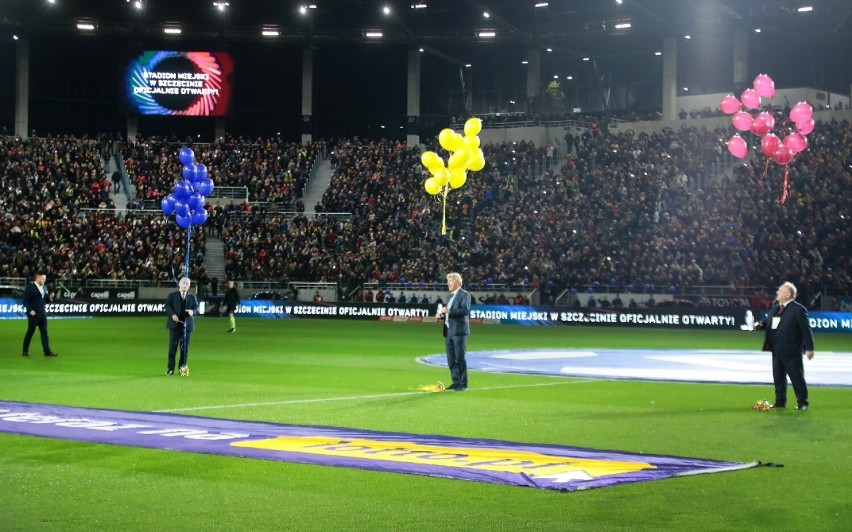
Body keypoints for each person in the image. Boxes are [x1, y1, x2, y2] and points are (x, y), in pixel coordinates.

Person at [754, 282, 815, 410]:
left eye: (780, 291)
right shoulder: (776, 308)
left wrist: (809, 348)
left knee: (796, 377)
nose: (777, 293)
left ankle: (803, 402)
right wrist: (759, 325)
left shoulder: (798, 309)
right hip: (776, 350)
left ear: (787, 295)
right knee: (778, 377)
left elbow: (806, 330)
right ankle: (780, 402)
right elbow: (768, 322)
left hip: (792, 350)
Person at [437, 272, 471, 391]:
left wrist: (449, 311)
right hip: (449, 331)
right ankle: (456, 381)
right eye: (448, 281)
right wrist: (441, 315)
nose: (448, 283)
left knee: (460, 357)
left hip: (459, 331)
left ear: (457, 282)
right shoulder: (449, 297)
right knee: (451, 359)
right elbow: (448, 313)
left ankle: (463, 383)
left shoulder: (465, 295)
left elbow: (465, 311)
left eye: (450, 281)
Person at [164, 277, 198, 376]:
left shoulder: (192, 297)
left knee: (185, 350)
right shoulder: (172, 295)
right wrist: (172, 315)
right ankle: (170, 369)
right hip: (175, 326)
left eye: (187, 283)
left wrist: (193, 311)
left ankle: (182, 369)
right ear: (179, 284)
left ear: (189, 286)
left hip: (186, 327)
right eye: (183, 282)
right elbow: (167, 306)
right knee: (172, 349)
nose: (185, 285)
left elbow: (196, 308)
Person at [22, 273, 58, 357]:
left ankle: (47, 351)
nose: (44, 280)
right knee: (30, 332)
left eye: (45, 279)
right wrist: (30, 310)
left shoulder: (44, 288)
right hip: (33, 315)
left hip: (42, 314)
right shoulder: (30, 288)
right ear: (37, 277)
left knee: (44, 333)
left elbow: (45, 301)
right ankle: (25, 350)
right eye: (42, 278)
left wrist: (51, 297)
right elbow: (25, 301)